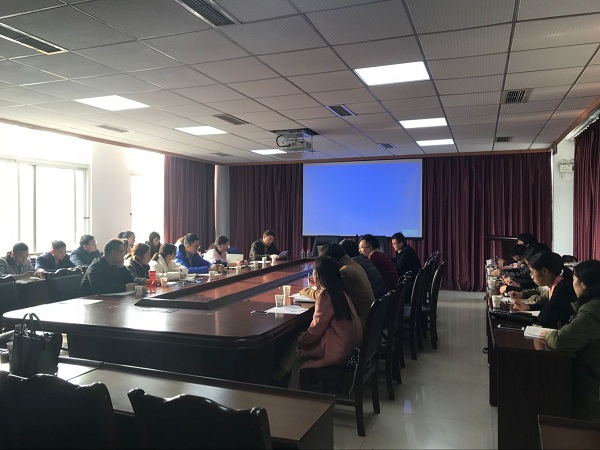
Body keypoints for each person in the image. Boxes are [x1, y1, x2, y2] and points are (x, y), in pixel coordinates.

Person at [275, 256, 362, 389]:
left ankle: (285, 386)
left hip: (337, 351)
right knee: (298, 346)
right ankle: (279, 379)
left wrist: (300, 340)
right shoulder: (340, 291)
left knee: (298, 348)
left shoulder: (326, 295)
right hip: (349, 347)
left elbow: (314, 331)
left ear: (318, 275)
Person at [540, 260, 600, 421]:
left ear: (584, 284)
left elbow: (560, 341)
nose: (572, 283)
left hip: (590, 377)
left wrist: (547, 334)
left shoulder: (593, 309)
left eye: (574, 279)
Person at [298, 243, 375, 326]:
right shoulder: (352, 264)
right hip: (369, 319)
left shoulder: (344, 272)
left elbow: (326, 296)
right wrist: (320, 282)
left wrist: (306, 291)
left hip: (362, 324)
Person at [512, 251, 576, 329]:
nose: (531, 276)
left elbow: (545, 317)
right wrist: (528, 307)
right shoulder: (557, 284)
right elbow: (547, 305)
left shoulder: (562, 288)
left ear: (544, 272)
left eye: (532, 272)